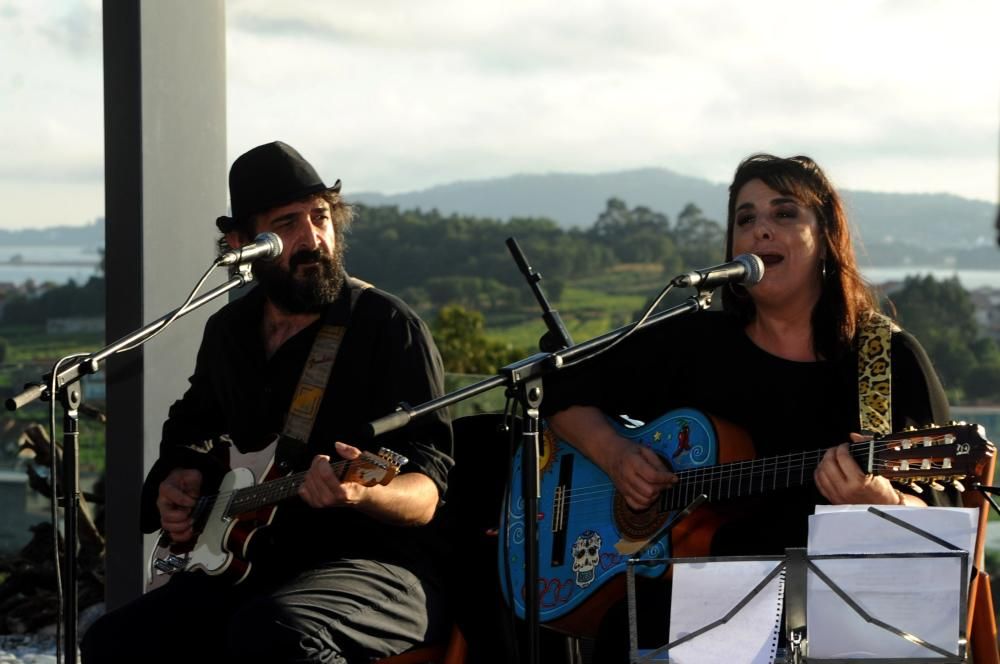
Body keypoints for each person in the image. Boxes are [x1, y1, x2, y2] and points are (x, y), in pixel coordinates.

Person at [540, 153, 955, 660]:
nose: (760, 230)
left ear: (826, 236)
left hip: (835, 611)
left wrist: (878, 502)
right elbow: (558, 391)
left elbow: (941, 522)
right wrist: (616, 456)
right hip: (694, 604)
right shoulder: (694, 343)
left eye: (784, 214)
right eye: (745, 218)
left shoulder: (884, 360)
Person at [81, 141, 454, 663]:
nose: (313, 238)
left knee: (273, 631)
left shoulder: (387, 327)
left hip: (376, 568)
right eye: (287, 224)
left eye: (320, 217)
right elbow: (193, 428)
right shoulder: (229, 329)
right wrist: (179, 477)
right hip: (252, 563)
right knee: (112, 640)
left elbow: (426, 490)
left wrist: (363, 496)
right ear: (241, 243)